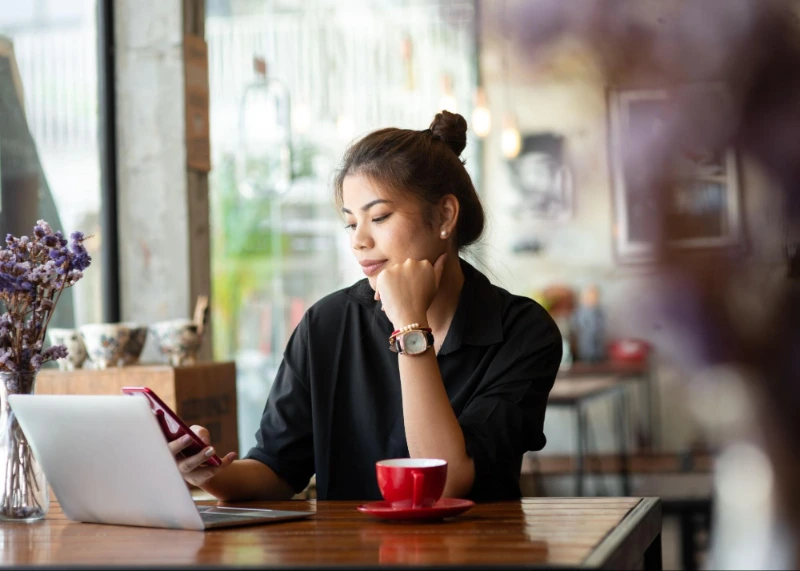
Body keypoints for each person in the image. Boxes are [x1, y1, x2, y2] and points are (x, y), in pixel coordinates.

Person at [171, 111, 563, 502]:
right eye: (350, 223)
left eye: (379, 217)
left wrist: (410, 325)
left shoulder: (523, 331)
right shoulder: (326, 324)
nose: (358, 241)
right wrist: (208, 473)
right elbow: (276, 470)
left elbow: (444, 484)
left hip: (477, 559)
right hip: (348, 559)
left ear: (444, 215)